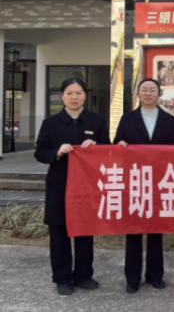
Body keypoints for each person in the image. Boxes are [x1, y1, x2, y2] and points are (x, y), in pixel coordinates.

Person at [34, 77, 111, 296]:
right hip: (59, 185)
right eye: (69, 93)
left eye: (78, 93)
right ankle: (62, 278)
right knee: (59, 231)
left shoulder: (97, 121)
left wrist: (95, 147)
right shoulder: (51, 123)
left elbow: (108, 149)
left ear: (85, 95)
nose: (74, 97)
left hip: (87, 186)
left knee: (85, 229)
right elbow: (40, 152)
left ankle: (84, 275)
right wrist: (57, 152)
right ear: (62, 96)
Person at [114, 78, 174, 294]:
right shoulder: (127, 119)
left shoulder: (169, 120)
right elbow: (117, 144)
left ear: (159, 94)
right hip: (135, 181)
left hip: (159, 182)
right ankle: (132, 278)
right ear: (138, 94)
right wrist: (119, 144)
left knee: (155, 231)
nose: (148, 93)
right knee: (133, 231)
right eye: (144, 89)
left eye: (153, 90)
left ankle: (155, 276)